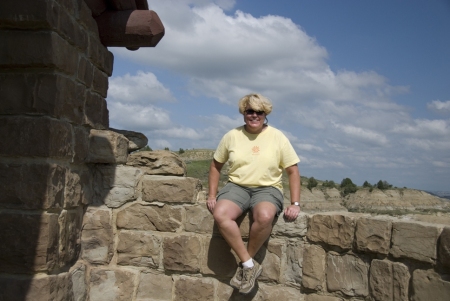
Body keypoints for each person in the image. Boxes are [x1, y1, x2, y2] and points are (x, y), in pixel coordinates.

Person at [207, 93, 301, 294]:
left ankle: (244, 266)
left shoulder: (277, 136)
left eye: (259, 112)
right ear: (243, 113)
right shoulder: (232, 136)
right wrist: (212, 195)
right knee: (221, 214)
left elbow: (292, 171)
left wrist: (295, 203)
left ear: (265, 114)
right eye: (250, 111)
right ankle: (249, 265)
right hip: (237, 187)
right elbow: (216, 166)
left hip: (268, 188)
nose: (254, 115)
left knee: (265, 216)